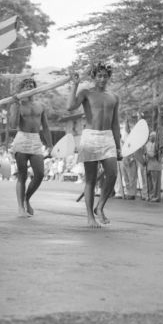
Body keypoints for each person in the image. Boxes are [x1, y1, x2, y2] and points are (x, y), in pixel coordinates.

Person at [67, 63, 121, 227]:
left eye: (105, 76)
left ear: (108, 77)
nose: (102, 79)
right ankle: (90, 217)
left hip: (107, 138)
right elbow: (70, 107)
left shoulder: (114, 97)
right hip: (90, 137)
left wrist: (118, 146)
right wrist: (75, 84)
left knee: (112, 174)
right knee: (90, 179)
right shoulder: (86, 92)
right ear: (94, 77)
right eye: (99, 76)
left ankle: (100, 207)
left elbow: (115, 123)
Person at [9, 77, 53, 217]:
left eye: (31, 85)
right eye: (26, 85)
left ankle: (27, 199)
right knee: (22, 175)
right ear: (21, 89)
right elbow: (12, 125)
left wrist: (50, 145)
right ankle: (20, 207)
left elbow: (45, 127)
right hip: (22, 139)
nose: (29, 87)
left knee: (39, 174)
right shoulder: (17, 104)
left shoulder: (40, 105)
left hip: (35, 140)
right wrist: (16, 106)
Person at [145, 132, 161, 202]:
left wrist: (148, 154)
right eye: (150, 136)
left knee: (156, 182)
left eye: (152, 136)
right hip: (148, 164)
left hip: (155, 165)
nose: (150, 137)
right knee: (149, 182)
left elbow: (156, 155)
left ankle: (156, 196)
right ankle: (150, 195)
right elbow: (145, 154)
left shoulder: (157, 145)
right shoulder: (147, 144)